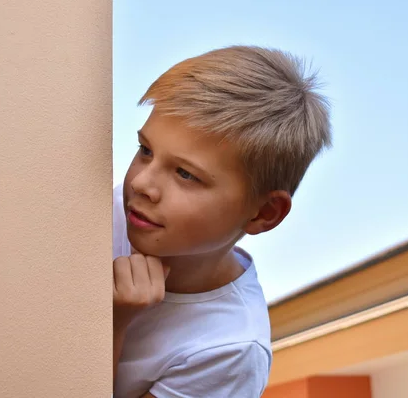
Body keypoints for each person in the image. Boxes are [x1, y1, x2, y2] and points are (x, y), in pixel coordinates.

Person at [113, 45, 332, 398]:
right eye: (145, 151)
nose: (142, 183)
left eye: (185, 174)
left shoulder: (229, 350)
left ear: (264, 213)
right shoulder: (98, 211)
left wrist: (109, 325)